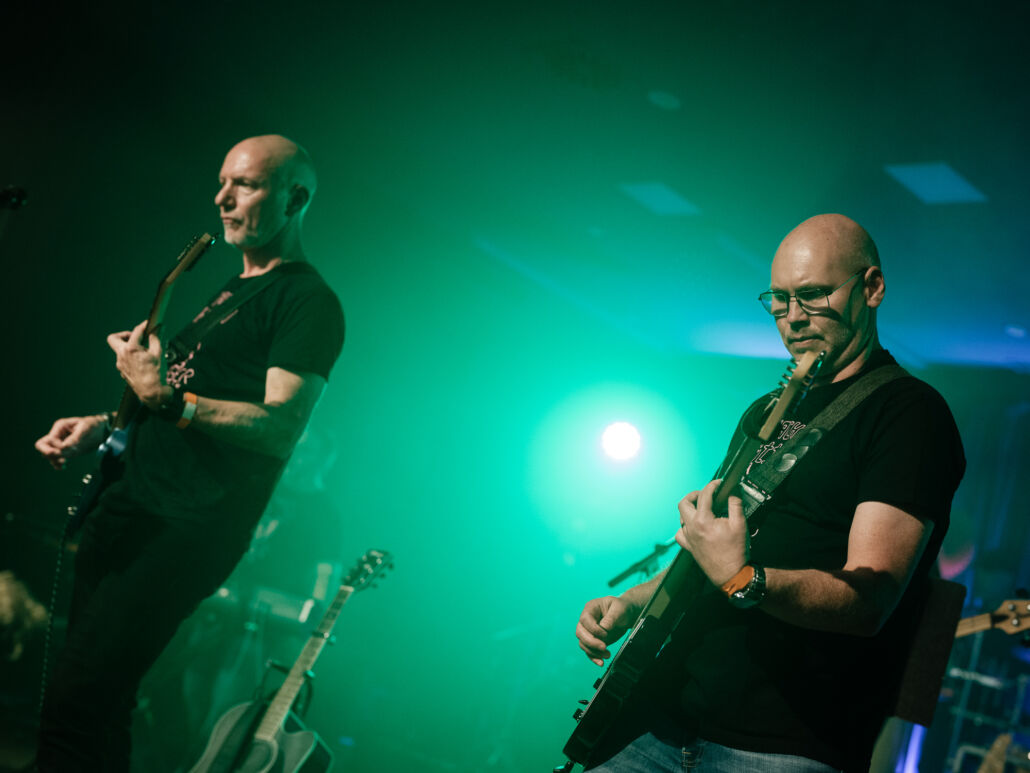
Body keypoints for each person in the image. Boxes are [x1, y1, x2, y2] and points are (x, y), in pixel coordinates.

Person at [574, 214, 965, 773]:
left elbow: (870, 597)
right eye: (779, 300)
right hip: (664, 719)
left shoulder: (908, 414)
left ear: (872, 287)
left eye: (813, 295)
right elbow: (711, 555)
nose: (793, 318)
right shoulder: (765, 411)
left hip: (783, 746)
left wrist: (745, 579)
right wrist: (633, 602)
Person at [32, 134, 345, 772]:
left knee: (80, 697)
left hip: (179, 531)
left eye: (245, 185)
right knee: (94, 702)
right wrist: (102, 424)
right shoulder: (232, 288)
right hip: (131, 508)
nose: (222, 199)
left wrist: (167, 399)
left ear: (295, 199)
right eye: (222, 182)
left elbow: (280, 427)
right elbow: (175, 394)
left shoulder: (307, 301)